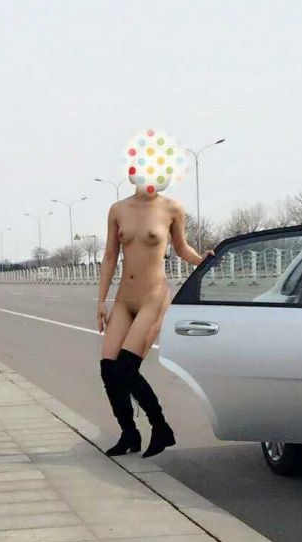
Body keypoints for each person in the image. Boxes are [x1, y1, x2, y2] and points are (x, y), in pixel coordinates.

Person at [98, 130, 214, 457]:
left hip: (153, 297)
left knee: (126, 368)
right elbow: (109, 256)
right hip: (124, 299)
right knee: (108, 369)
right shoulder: (117, 209)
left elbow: (181, 248)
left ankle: (160, 427)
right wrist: (101, 301)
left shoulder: (171, 208)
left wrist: (201, 260)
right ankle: (129, 433)